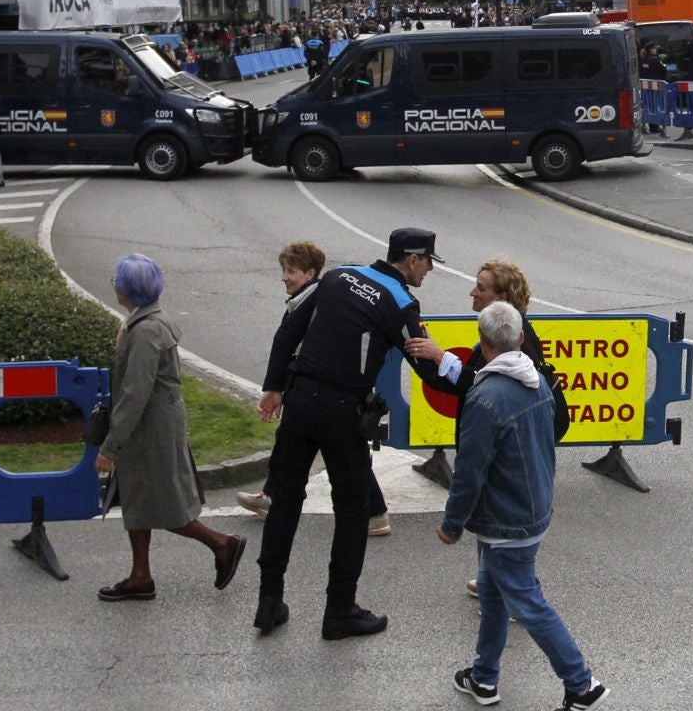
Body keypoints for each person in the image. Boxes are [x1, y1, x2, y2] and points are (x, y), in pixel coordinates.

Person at [251, 226, 447, 639]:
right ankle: (340, 610)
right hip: (342, 410)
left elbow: (290, 330)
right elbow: (428, 369)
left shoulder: (340, 275)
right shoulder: (401, 303)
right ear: (412, 259)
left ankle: (269, 601)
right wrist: (461, 369)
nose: (429, 270)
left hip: (300, 401)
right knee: (354, 510)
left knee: (284, 500)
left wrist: (273, 387)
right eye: (429, 262)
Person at [438, 301, 608, 711]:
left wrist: (452, 524)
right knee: (494, 595)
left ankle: (581, 683)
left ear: (482, 342)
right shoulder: (538, 381)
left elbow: (470, 470)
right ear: (519, 337)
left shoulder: (485, 398)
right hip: (533, 508)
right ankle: (484, 678)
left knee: (528, 603)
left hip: (504, 519)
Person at [94, 253, 247, 602]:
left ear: (128, 288)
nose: (115, 287)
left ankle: (222, 544)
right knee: (137, 497)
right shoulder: (148, 321)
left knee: (164, 502)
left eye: (117, 281)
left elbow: (135, 392)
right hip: (154, 425)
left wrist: (110, 447)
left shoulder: (146, 330)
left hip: (151, 430)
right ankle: (140, 575)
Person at [404, 258, 546, 600]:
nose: (472, 292)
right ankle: (492, 585)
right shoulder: (503, 334)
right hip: (510, 460)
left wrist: (441, 357)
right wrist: (431, 359)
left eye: (481, 288)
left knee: (505, 531)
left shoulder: (516, 341)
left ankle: (514, 596)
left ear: (502, 297)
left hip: (506, 458)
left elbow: (484, 389)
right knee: (497, 535)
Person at [237, 241, 394, 537]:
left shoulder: (317, 298)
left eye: (291, 271)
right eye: (284, 270)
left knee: (346, 455)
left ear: (310, 273)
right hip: (317, 392)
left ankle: (374, 514)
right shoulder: (309, 297)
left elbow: (287, 342)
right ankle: (273, 495)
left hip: (324, 394)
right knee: (318, 449)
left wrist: (275, 388)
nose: (284, 277)